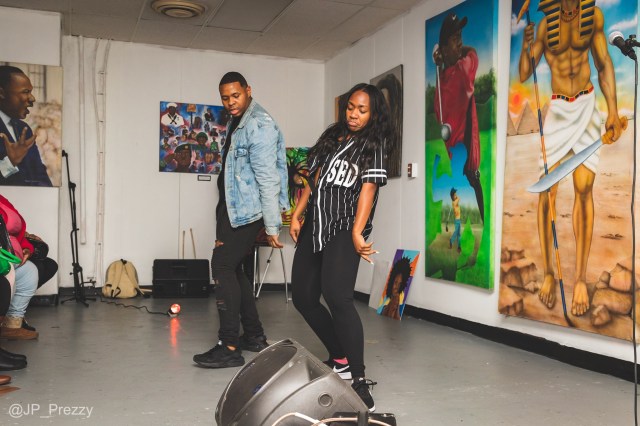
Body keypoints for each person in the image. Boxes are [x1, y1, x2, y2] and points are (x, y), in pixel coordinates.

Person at [289, 83, 393, 412]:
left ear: (373, 114)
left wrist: (358, 232)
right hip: (315, 225)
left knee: (338, 297)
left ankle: (358, 379)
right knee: (303, 296)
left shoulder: (374, 144)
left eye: (362, 110)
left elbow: (368, 190)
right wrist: (297, 213)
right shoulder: (333, 136)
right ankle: (340, 359)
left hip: (344, 229)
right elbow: (315, 180)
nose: (354, 114)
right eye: (351, 107)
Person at [518, 0, 623, 316]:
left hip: (587, 105)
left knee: (583, 189)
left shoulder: (593, 17)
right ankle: (549, 274)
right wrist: (525, 46)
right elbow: (525, 73)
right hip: (559, 109)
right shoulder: (546, 24)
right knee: (547, 192)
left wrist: (613, 111)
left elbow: (603, 64)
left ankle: (579, 279)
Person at [193, 72, 287, 369]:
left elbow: (268, 178)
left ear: (248, 90)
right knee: (235, 268)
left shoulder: (259, 124)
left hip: (248, 210)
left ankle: (229, 346)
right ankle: (254, 336)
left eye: (236, 95)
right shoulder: (239, 119)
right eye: (225, 98)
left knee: (221, 265)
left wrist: (272, 226)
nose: (231, 102)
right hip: (233, 207)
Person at [433, 13, 484, 222]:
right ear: (444, 49)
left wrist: (442, 59)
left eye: (460, 36)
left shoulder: (440, 83)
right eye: (455, 39)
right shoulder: (462, 70)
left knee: (460, 221)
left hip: (457, 169)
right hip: (467, 171)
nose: (460, 42)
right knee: (473, 224)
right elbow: (472, 53)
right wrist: (444, 58)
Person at [0, 65, 52, 187]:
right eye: (25, 92)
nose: (32, 98)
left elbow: (40, 174)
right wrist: (9, 162)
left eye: (30, 92)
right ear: (1, 93)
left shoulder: (24, 128)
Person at [0, 195, 39, 339]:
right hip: (4, 258)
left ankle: (11, 325)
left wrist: (26, 248)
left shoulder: (2, 200)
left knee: (29, 271)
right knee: (6, 278)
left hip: (11, 256)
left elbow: (18, 231)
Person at [449, 188, 461, 253]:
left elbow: (458, 198)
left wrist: (455, 193)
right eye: (455, 195)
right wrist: (455, 196)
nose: (456, 195)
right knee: (456, 233)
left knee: (459, 234)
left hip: (459, 220)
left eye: (456, 194)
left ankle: (459, 247)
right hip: (457, 221)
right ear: (452, 196)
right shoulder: (454, 203)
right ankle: (451, 240)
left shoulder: (455, 202)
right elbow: (459, 198)